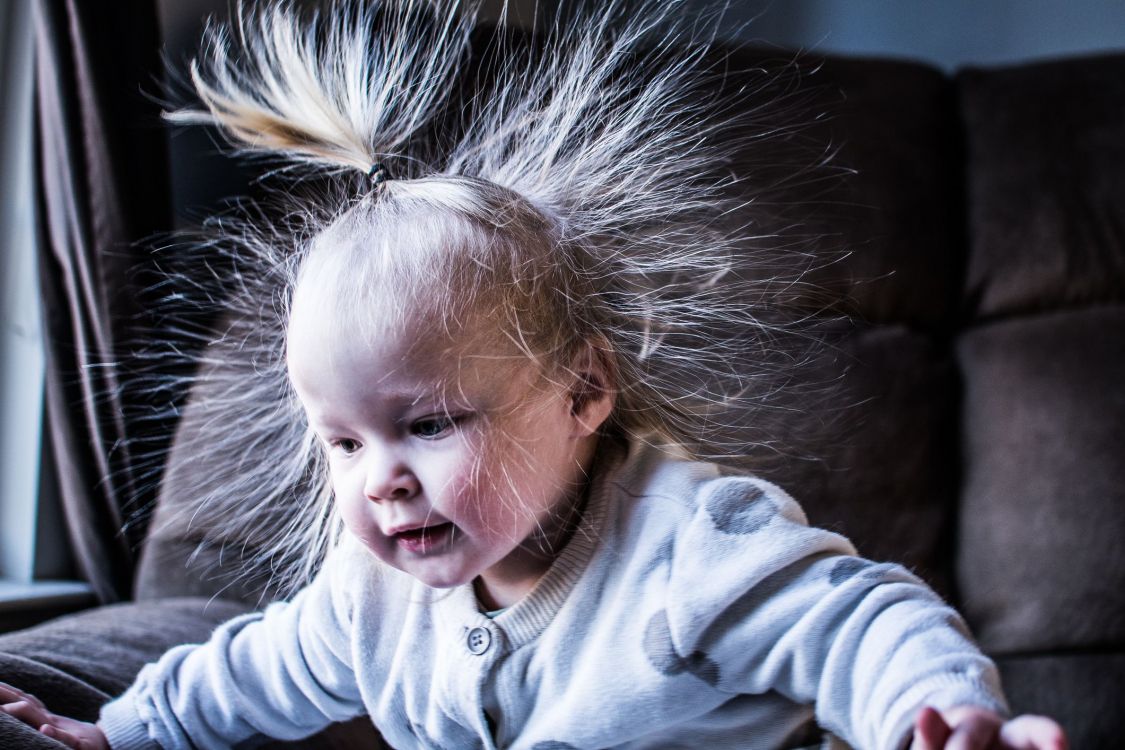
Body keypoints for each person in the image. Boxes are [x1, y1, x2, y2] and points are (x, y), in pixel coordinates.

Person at [0, 1, 1068, 748]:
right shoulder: (368, 599)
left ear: (584, 391)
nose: (380, 478)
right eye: (342, 440)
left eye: (429, 424)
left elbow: (857, 620)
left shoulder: (688, 546)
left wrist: (933, 712)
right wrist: (118, 730)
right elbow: (249, 673)